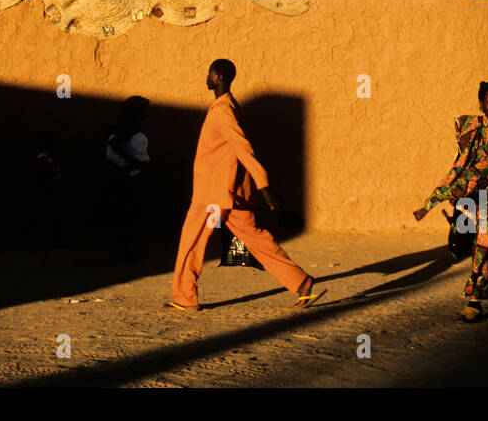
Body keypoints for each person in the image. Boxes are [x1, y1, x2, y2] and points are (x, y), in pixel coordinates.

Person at [169, 59, 324, 310]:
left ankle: (185, 298)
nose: (206, 77)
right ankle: (301, 281)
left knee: (192, 243)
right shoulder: (229, 105)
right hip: (232, 192)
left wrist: (264, 186)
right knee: (257, 240)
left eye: (209, 73)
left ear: (218, 77)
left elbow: (243, 148)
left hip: (213, 193)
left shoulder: (222, 110)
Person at [414, 81, 488, 322]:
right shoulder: (472, 129)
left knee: (484, 244)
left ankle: (474, 302)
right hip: (476, 200)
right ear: (481, 104)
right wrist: (440, 198)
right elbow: (461, 164)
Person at [104, 95, 151, 260]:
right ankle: (121, 252)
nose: (147, 113)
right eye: (144, 109)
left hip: (129, 175)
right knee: (126, 212)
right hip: (126, 177)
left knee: (127, 213)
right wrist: (133, 163)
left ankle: (122, 250)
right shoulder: (129, 126)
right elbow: (115, 144)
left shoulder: (130, 126)